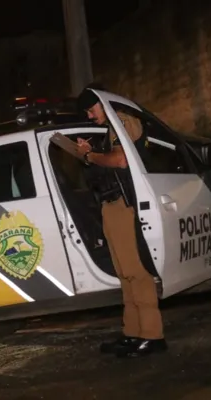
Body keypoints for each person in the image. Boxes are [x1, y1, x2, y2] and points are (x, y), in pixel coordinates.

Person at [74, 87, 167, 358]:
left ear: (102, 105)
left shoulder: (123, 122)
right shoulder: (111, 127)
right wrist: (90, 152)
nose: (90, 116)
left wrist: (90, 156)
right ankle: (133, 333)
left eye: (92, 110)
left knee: (137, 271)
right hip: (112, 205)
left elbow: (121, 160)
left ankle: (152, 335)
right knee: (125, 273)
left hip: (125, 206)